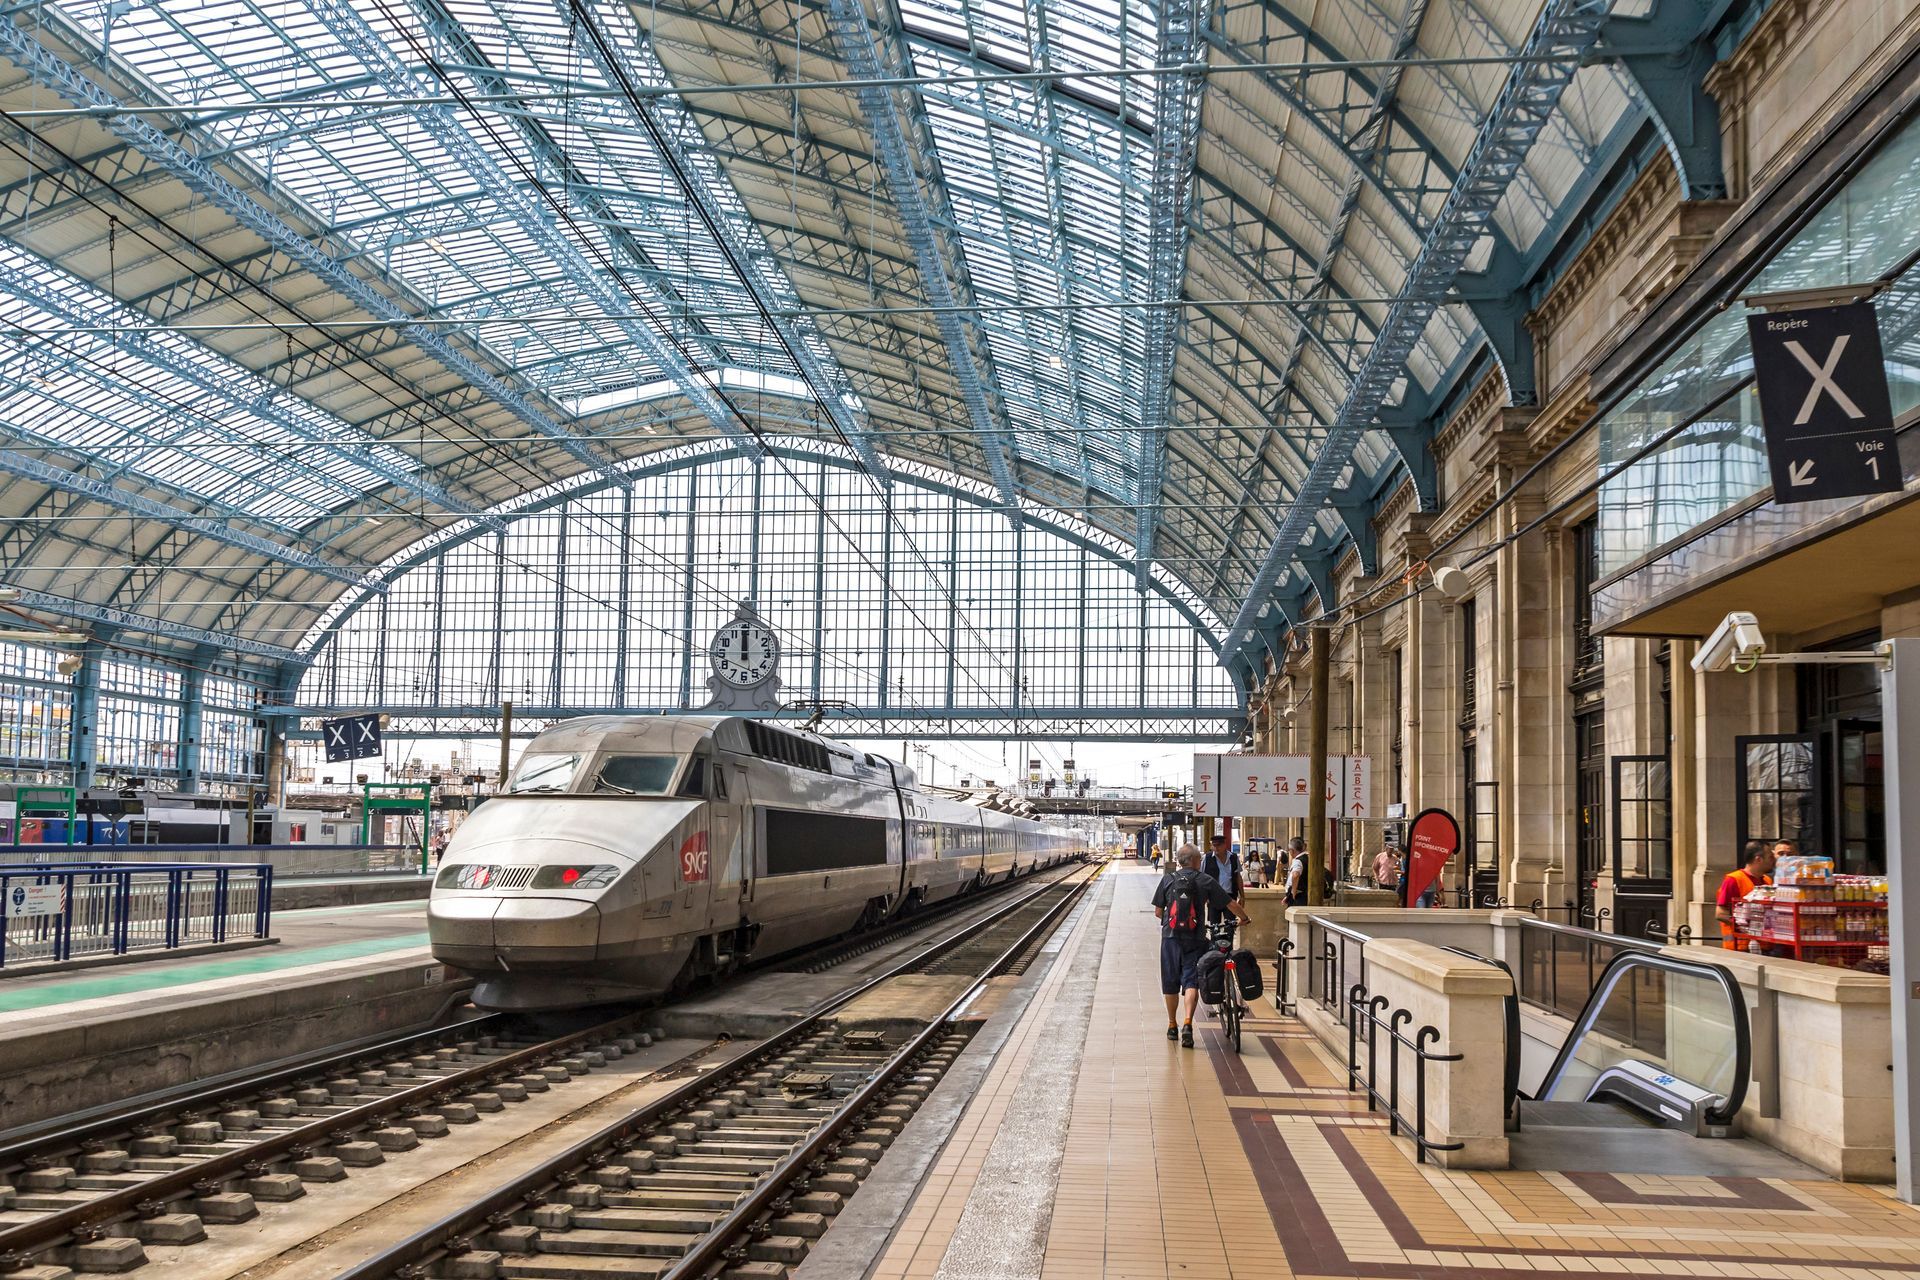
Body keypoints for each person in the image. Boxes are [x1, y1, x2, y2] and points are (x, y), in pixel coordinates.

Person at [1153, 844, 1252, 1047]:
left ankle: (1172, 1025)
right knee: (1191, 982)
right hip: (1195, 938)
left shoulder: (1168, 879)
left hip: (1170, 939)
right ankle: (1188, 1023)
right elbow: (1229, 903)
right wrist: (1244, 917)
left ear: (1180, 861)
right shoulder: (1204, 880)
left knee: (1170, 983)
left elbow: (1157, 912)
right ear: (1196, 861)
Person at [1716, 839, 1777, 949]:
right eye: (1770, 857)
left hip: (1766, 946)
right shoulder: (1733, 879)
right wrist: (1745, 926)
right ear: (1758, 859)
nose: (1774, 860)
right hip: (1740, 947)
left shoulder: (1768, 880)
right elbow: (1720, 913)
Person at [1202, 833, 1244, 925]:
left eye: (1219, 845)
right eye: (1214, 845)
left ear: (1224, 845)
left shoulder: (1233, 857)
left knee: (1230, 926)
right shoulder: (1207, 858)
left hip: (1230, 897)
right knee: (1214, 927)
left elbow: (1238, 877)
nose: (1216, 848)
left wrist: (1242, 895)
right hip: (1213, 898)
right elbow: (1202, 878)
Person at [1283, 836, 1309, 907]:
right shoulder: (1307, 858)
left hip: (1299, 897)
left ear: (1292, 850)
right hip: (1304, 894)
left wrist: (1293, 893)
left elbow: (1295, 875)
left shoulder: (1298, 861)